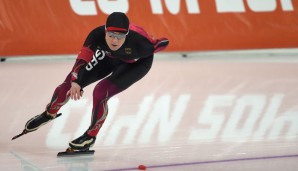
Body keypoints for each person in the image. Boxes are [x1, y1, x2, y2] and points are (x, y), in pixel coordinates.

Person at [23, 12, 169, 150]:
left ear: (127, 35)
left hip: (135, 63)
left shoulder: (141, 43)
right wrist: (76, 81)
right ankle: (50, 113)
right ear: (105, 31)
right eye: (111, 35)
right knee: (68, 85)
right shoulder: (96, 35)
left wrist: (158, 40)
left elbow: (163, 42)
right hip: (108, 58)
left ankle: (90, 137)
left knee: (100, 91)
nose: (115, 40)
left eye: (120, 36)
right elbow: (83, 58)